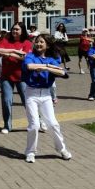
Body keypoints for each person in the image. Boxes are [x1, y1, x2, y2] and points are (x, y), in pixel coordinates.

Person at [21, 34, 72, 163]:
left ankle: (61, 149)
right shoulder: (30, 56)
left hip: (46, 94)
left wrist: (47, 67)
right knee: (34, 125)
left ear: (47, 45)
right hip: (31, 94)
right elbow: (29, 66)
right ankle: (31, 152)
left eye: (41, 42)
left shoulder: (51, 59)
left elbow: (62, 72)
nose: (38, 44)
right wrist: (48, 68)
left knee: (53, 123)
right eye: (37, 42)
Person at [0, 22, 32, 134]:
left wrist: (10, 54)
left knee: (27, 101)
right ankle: (7, 125)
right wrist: (16, 51)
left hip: (22, 76)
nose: (14, 31)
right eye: (13, 29)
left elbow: (26, 57)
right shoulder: (6, 41)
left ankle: (36, 121)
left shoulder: (26, 42)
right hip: (6, 76)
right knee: (6, 101)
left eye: (17, 29)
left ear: (22, 31)